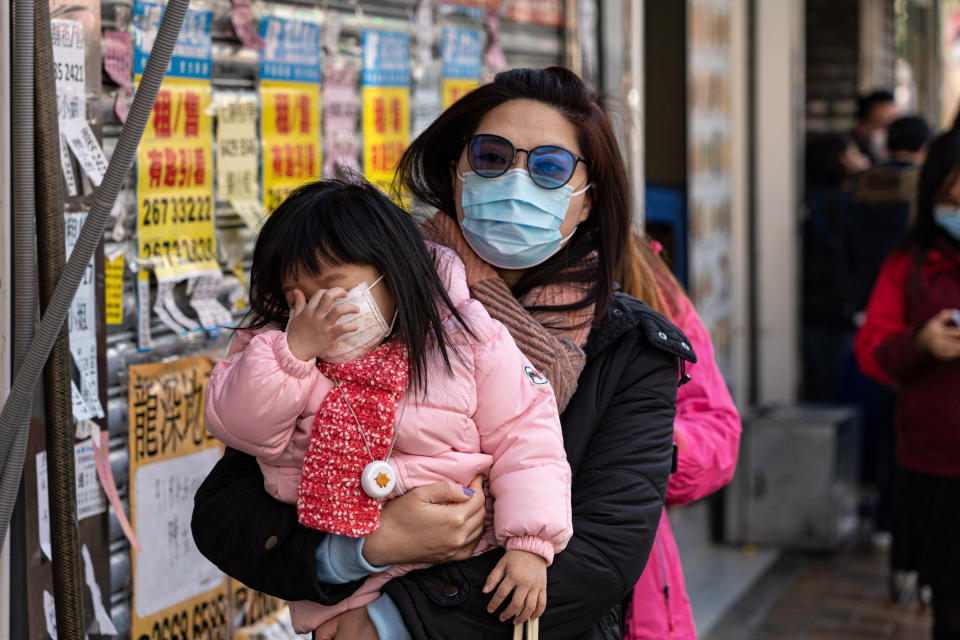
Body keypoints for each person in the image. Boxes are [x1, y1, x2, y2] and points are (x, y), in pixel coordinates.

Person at [192, 66, 695, 639]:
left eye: (550, 167)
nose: (516, 181)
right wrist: (364, 550)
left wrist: (392, 621)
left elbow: (604, 554)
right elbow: (227, 513)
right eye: (491, 157)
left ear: (587, 200)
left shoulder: (630, 348)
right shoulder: (351, 307)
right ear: (455, 170)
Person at [202, 179, 572, 633]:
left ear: (392, 273)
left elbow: (527, 435)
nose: (315, 311)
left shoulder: (465, 339)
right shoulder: (281, 356)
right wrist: (291, 353)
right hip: (341, 590)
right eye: (297, 297)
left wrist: (529, 543)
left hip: (465, 564)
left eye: (332, 289)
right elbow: (241, 427)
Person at [854, 127, 960, 639]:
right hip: (935, 467)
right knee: (951, 605)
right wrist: (919, 344)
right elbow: (873, 352)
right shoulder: (910, 264)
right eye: (951, 198)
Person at [620, 237, 741, 640]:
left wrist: (656, 440)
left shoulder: (636, 265)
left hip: (642, 592)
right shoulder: (450, 269)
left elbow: (717, 428)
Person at [847, 115, 931, 534]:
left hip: (859, 313)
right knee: (898, 425)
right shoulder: (918, 200)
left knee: (873, 420)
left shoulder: (855, 190)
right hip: (902, 321)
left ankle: (870, 499)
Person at [801, 132, 869, 403]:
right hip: (834, 310)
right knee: (836, 390)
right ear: (838, 161)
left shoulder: (817, 200)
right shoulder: (839, 203)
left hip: (824, 309)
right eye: (854, 153)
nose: (862, 159)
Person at [853, 89, 899, 165]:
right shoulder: (851, 150)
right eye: (880, 123)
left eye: (891, 125)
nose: (886, 131)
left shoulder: (896, 152)